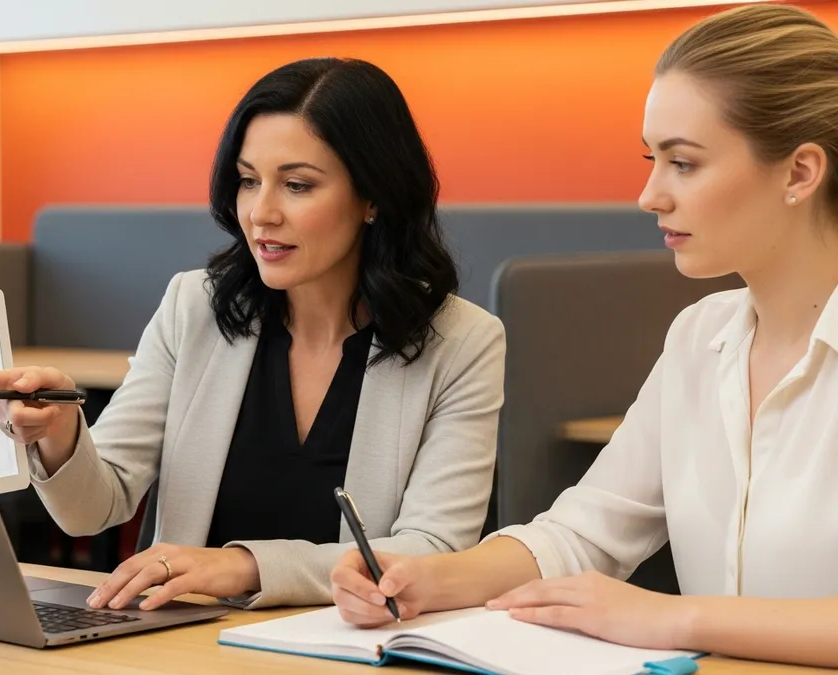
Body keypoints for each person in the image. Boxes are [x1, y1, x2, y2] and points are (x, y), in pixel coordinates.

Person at [329, 4, 838, 668]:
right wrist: (426, 578)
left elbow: (664, 611)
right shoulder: (699, 338)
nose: (650, 194)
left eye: (683, 163)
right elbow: (581, 533)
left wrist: (674, 616)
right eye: (652, 159)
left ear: (800, 173)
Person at [0, 57, 505, 611]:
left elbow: (431, 553)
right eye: (247, 181)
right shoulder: (193, 307)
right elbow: (94, 507)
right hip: (184, 642)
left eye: (296, 185)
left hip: (349, 645)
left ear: (372, 198)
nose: (261, 213)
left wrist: (243, 565)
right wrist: (61, 430)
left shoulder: (463, 342)